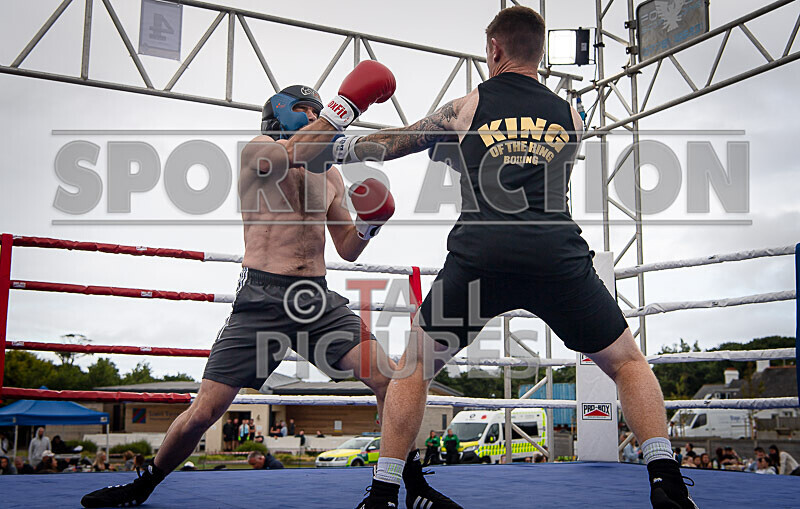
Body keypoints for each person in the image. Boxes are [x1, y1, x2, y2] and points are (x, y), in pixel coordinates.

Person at [344, 7, 696, 509]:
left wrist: (334, 146)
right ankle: (666, 480)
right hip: (556, 255)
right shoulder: (572, 118)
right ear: (541, 51)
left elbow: (397, 144)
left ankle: (381, 494)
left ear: (494, 50)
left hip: (481, 255)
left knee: (412, 368)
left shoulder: (466, 106)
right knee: (628, 363)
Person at [80, 61, 397, 508]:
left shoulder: (331, 175)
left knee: (390, 378)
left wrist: (369, 226)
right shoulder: (258, 149)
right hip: (261, 298)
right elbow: (293, 154)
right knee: (204, 412)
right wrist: (343, 107)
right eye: (309, 111)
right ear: (285, 114)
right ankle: (144, 483)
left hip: (316, 299)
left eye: (318, 111)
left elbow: (345, 246)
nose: (315, 117)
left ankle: (399, 483)